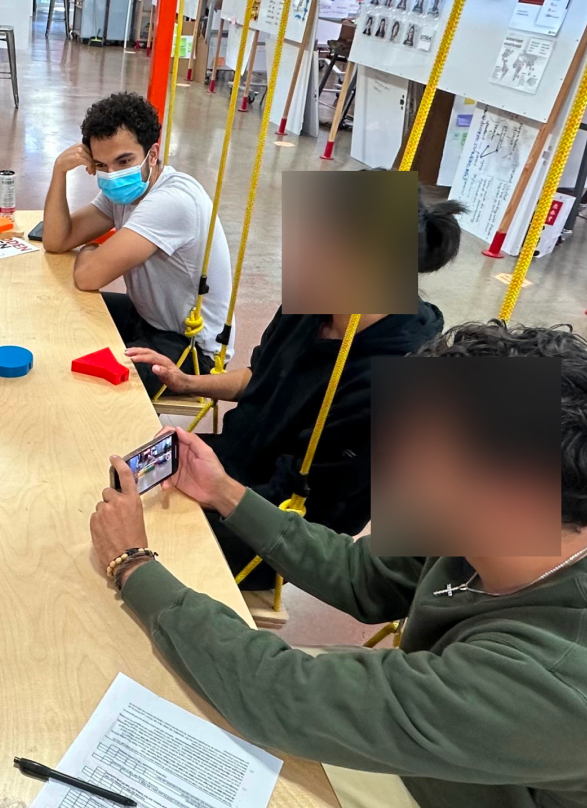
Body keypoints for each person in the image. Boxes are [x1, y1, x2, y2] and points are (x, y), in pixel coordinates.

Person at [90, 321, 587, 808]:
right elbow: (366, 576)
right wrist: (227, 494)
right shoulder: (501, 531)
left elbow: (281, 696)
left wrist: (131, 564)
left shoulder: (555, 681)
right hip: (430, 733)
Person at [125, 193, 462, 589]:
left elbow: (318, 509)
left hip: (275, 528)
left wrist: (211, 493)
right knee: (114, 482)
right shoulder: (310, 305)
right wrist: (190, 383)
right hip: (226, 464)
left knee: (127, 545)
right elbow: (264, 376)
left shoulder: (398, 379)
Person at [42, 92, 232, 395]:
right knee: (57, 311)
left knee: (84, 383)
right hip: (147, 317)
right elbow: (56, 240)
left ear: (152, 154)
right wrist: (59, 172)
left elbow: (88, 276)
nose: (112, 175)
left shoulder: (171, 201)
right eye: (101, 165)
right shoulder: (124, 192)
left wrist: (90, 251)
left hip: (189, 350)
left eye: (124, 161)